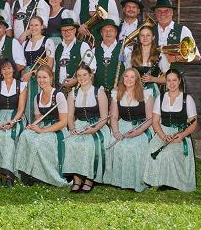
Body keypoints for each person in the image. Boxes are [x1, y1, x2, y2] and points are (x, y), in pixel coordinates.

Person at [14, 64, 69, 187]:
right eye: (39, 77)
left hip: (57, 129)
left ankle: (41, 174)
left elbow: (63, 122)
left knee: (39, 141)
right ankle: (25, 171)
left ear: (51, 78)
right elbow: (38, 119)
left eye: (44, 77)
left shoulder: (58, 95)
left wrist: (43, 131)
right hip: (43, 126)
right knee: (25, 135)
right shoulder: (37, 97)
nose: (41, 80)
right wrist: (32, 126)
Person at [143, 69, 197, 192]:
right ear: (165, 82)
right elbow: (155, 121)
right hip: (163, 132)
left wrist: (182, 135)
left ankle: (171, 182)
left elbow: (194, 123)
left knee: (170, 152)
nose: (172, 84)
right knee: (152, 148)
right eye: (168, 81)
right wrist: (163, 136)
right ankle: (154, 179)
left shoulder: (187, 99)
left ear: (179, 81)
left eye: (174, 80)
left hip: (180, 134)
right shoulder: (160, 98)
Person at [63, 64, 112, 193]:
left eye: (85, 75)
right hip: (79, 124)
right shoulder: (73, 94)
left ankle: (90, 179)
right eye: (79, 75)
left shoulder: (99, 92)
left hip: (97, 125)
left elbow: (104, 118)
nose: (82, 78)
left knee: (90, 144)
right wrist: (72, 128)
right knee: (70, 142)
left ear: (90, 76)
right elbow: (70, 116)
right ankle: (77, 179)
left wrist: (94, 129)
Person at [104, 68, 154, 192]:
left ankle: (135, 180)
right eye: (126, 76)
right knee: (115, 144)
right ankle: (118, 180)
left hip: (142, 126)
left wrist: (138, 132)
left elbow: (150, 118)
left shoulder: (146, 94)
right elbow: (114, 117)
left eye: (132, 77)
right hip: (123, 125)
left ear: (137, 79)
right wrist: (116, 132)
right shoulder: (117, 94)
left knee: (134, 146)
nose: (129, 79)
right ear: (123, 78)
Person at [0, 58, 26, 188]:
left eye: (9, 68)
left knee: (9, 137)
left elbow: (21, 109)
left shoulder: (21, 85)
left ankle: (9, 174)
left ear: (13, 69)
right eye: (3, 68)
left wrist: (13, 122)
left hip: (16, 116)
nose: (6, 71)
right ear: (0, 71)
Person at [152, 0, 201, 70]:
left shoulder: (183, 30)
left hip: (175, 76)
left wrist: (175, 58)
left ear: (172, 13)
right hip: (153, 76)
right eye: (159, 11)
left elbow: (196, 56)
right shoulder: (150, 30)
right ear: (155, 13)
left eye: (166, 11)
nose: (162, 14)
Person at [20, 16, 55, 123]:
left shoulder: (48, 41)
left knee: (39, 102)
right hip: (26, 79)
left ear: (42, 26)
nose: (33, 28)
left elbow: (49, 66)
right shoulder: (25, 43)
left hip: (41, 78)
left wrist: (32, 73)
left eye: (36, 25)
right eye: (31, 25)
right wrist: (24, 77)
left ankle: (40, 125)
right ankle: (28, 125)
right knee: (27, 103)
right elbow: (23, 64)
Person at [53, 10, 95, 92]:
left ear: (75, 30)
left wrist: (76, 80)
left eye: (69, 29)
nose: (67, 33)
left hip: (78, 89)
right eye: (64, 30)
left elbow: (92, 67)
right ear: (61, 32)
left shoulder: (83, 46)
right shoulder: (57, 47)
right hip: (59, 90)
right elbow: (54, 69)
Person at [127, 26, 169, 99]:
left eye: (148, 35)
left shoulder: (160, 55)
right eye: (142, 35)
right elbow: (126, 76)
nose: (145, 38)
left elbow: (169, 77)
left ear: (153, 37)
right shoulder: (131, 55)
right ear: (139, 38)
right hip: (134, 91)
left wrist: (153, 79)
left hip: (152, 92)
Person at [93, 16, 128, 94]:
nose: (108, 33)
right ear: (101, 33)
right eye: (105, 30)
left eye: (111, 30)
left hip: (119, 93)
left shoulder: (125, 50)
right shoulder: (94, 51)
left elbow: (129, 71)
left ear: (116, 33)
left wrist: (122, 87)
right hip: (98, 93)